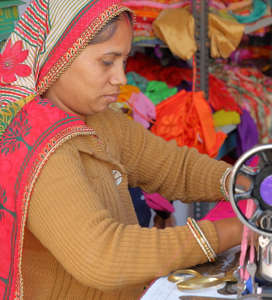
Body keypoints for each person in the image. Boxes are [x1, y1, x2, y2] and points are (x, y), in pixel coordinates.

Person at [0, 1, 243, 299]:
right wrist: (232, 233)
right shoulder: (38, 147)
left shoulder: (101, 121)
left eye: (124, 61)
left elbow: (174, 168)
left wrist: (245, 182)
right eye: (107, 62)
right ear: (59, 57)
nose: (121, 79)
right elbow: (101, 256)